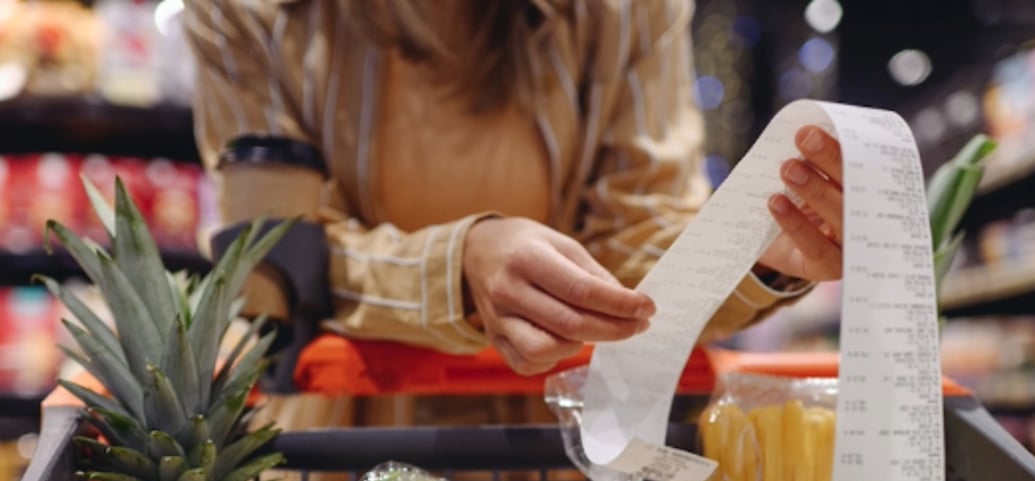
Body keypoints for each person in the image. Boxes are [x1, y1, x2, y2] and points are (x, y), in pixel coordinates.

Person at [181, 0, 845, 425]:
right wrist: (456, 270)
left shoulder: (628, 12)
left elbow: (639, 245)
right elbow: (272, 259)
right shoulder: (246, 14)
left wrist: (755, 254)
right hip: (336, 450)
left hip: (550, 454)